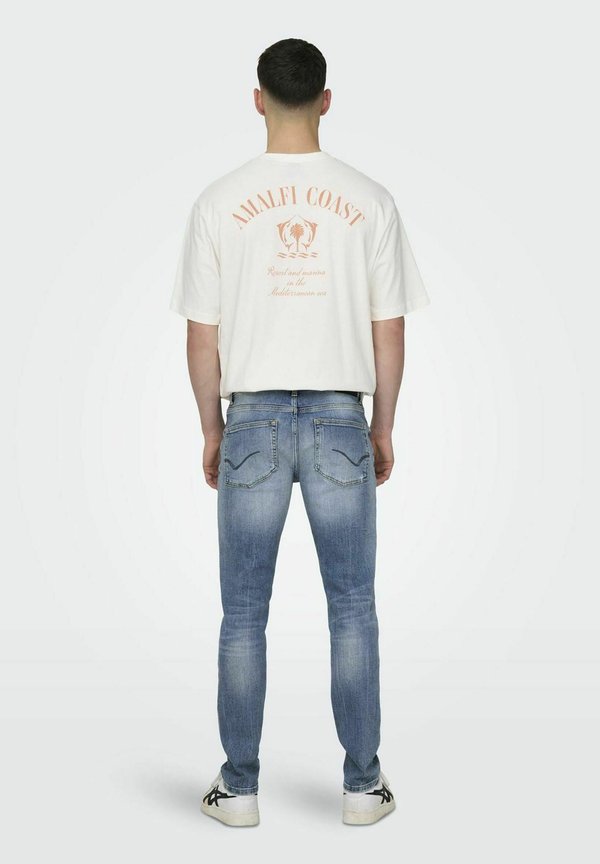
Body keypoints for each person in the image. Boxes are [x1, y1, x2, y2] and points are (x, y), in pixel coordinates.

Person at [169, 37, 430, 827]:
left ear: (258, 99)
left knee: (243, 614)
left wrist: (211, 429)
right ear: (325, 100)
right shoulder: (369, 200)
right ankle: (362, 789)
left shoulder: (219, 202)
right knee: (352, 606)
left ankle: (239, 790)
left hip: (249, 418)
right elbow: (389, 330)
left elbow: (202, 335)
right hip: (340, 418)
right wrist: (382, 425)